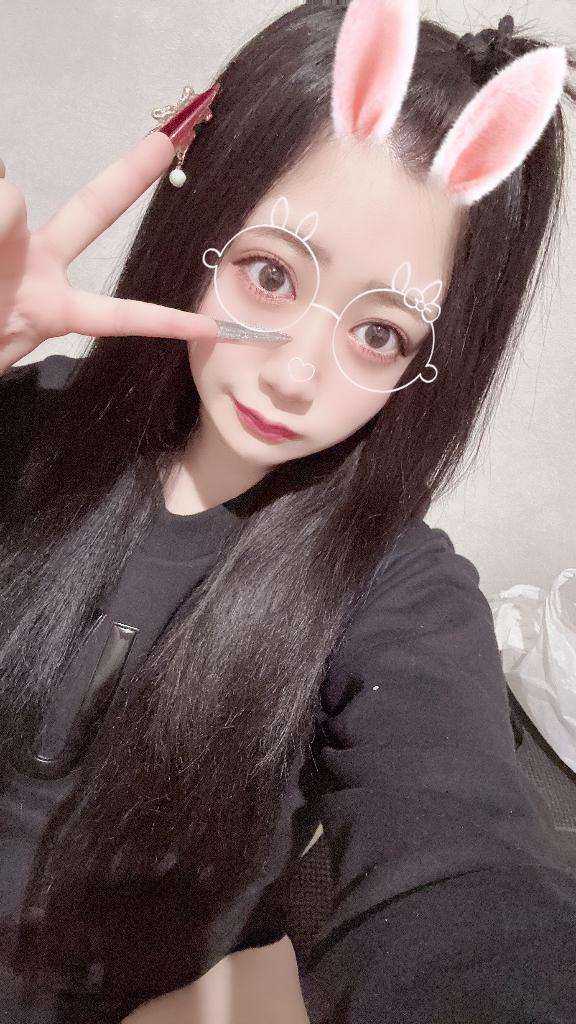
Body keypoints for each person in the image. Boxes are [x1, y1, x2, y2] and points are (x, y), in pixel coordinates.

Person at [0, 0, 575, 1021]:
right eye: (271, 275)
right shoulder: (27, 425)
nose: (298, 374)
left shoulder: (398, 592)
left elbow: (461, 862)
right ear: (203, 232)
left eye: (380, 334)